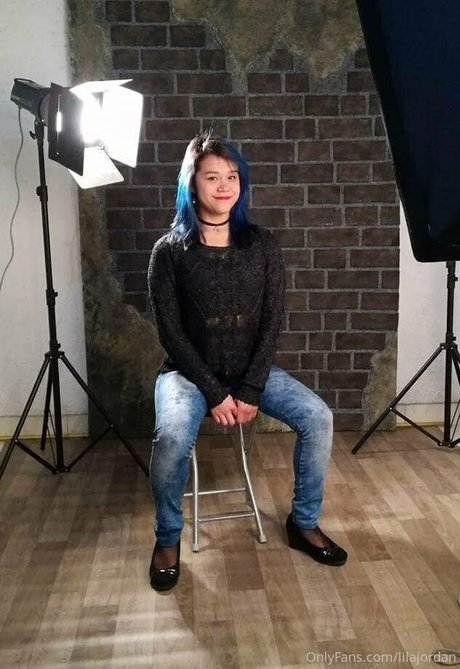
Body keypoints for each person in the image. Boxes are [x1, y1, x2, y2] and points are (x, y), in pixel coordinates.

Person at [147, 133, 347, 591]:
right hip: (187, 375)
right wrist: (215, 392)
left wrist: (251, 387)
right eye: (212, 177)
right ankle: (168, 537)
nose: (224, 186)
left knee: (318, 417)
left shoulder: (262, 244)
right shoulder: (169, 252)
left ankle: (303, 523)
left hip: (249, 371)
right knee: (172, 437)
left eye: (232, 176)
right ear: (191, 184)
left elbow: (273, 320)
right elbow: (171, 334)